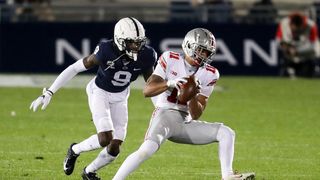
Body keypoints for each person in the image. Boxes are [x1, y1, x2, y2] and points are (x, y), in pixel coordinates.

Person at [112, 28, 255, 180]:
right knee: (146, 150)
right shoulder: (170, 58)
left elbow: (196, 114)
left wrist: (192, 94)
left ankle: (228, 176)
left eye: (207, 52)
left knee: (227, 133)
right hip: (165, 116)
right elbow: (147, 91)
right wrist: (170, 83)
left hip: (185, 122)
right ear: (189, 45)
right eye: (200, 50)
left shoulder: (210, 73)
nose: (203, 56)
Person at [29, 17, 157, 180]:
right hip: (100, 92)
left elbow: (152, 85)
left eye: (139, 42)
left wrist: (160, 107)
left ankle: (89, 172)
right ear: (120, 39)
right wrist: (50, 92)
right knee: (105, 138)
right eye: (132, 42)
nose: (137, 46)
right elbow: (74, 68)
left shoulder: (147, 55)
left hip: (121, 96)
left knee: (114, 148)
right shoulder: (105, 51)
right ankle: (75, 150)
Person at [276, 12, 320, 78]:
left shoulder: (311, 25)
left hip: (307, 58)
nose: (295, 32)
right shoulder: (284, 23)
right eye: (293, 29)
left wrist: (297, 51)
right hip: (289, 58)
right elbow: (278, 41)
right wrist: (286, 47)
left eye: (298, 29)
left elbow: (314, 46)